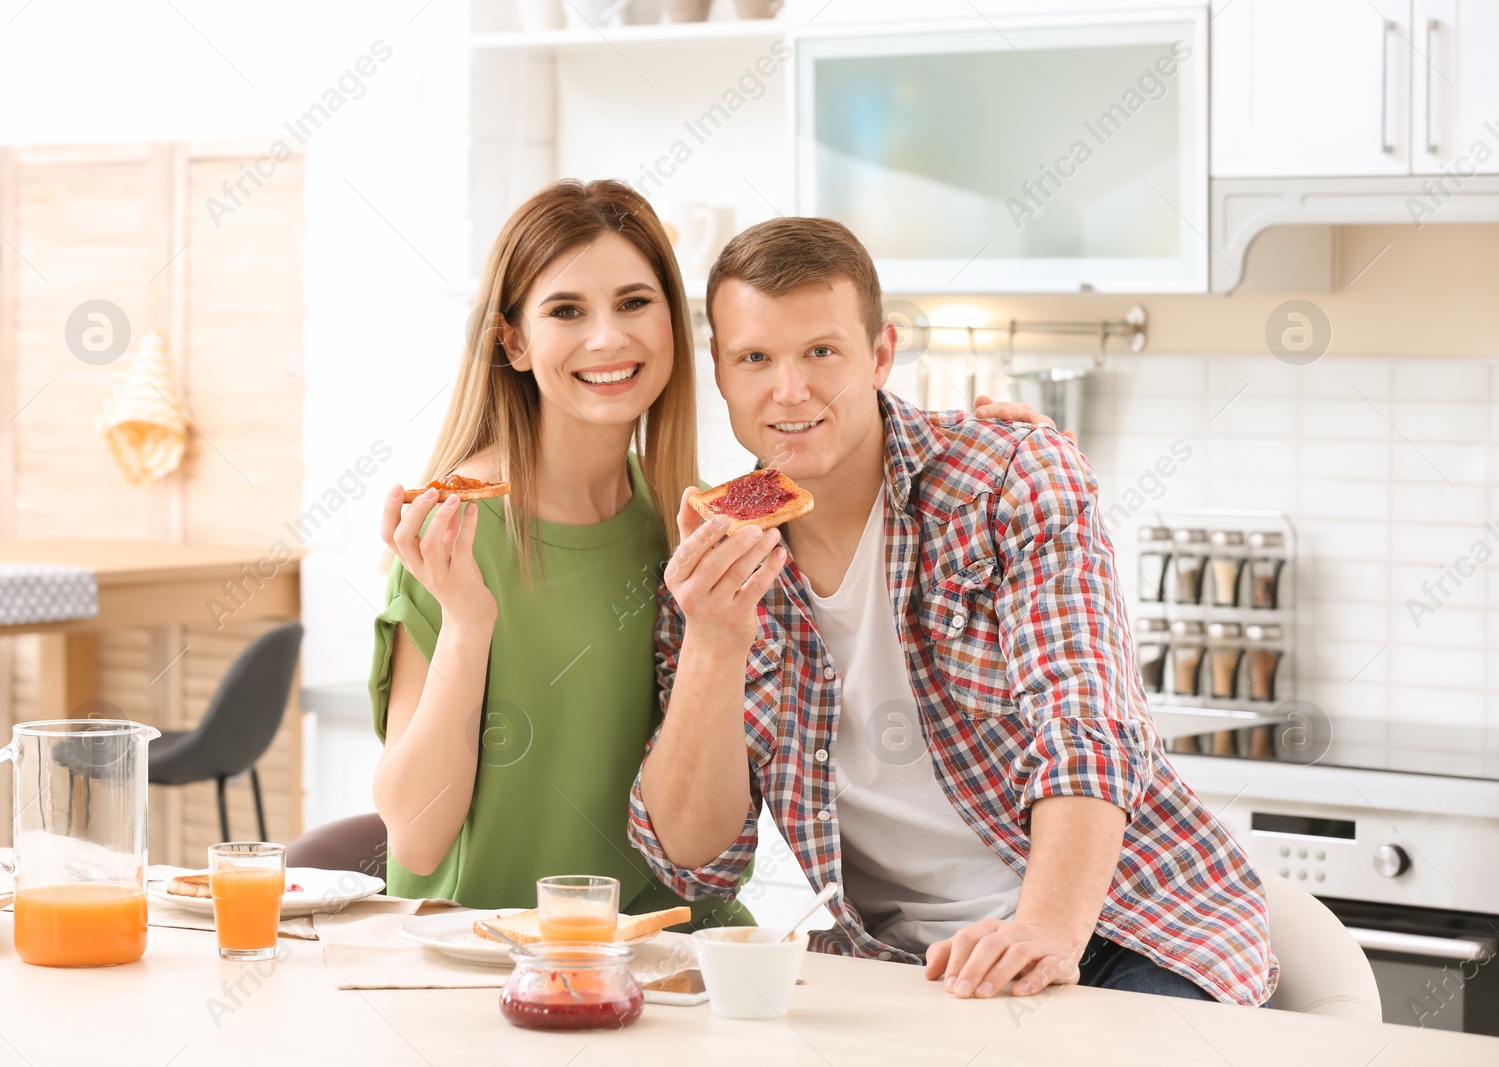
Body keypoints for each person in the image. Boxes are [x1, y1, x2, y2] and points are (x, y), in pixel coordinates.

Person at [369, 178, 1061, 921]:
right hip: (485, 956)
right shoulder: (454, 530)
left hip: (669, 955)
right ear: (514, 340)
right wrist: (469, 623)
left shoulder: (704, 528)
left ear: (676, 326)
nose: (608, 338)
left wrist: (1008, 457)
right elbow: (415, 838)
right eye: (567, 310)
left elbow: (858, 477)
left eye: (635, 303)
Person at [629, 216, 1278, 1006]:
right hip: (906, 965)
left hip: (1121, 926)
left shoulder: (1011, 476)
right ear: (723, 374)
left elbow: (1087, 718)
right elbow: (698, 862)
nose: (789, 390)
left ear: (881, 355)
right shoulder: (710, 564)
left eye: (822, 352)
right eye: (755, 358)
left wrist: (1043, 930)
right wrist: (714, 640)